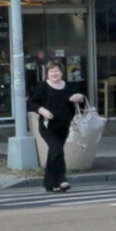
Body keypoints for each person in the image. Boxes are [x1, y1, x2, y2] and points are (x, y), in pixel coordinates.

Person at [31, 61, 85, 194]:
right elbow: (31, 103)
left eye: (56, 71)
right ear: (47, 74)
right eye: (51, 71)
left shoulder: (68, 86)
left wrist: (80, 98)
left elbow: (79, 103)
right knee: (57, 151)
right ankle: (61, 179)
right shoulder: (43, 87)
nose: (54, 74)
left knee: (53, 154)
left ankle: (49, 184)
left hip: (64, 126)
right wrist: (42, 110)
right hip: (48, 126)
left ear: (62, 73)